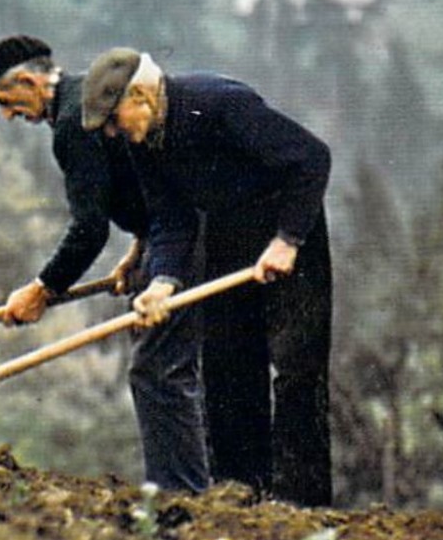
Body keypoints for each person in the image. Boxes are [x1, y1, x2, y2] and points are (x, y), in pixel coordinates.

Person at [82, 47, 333, 506]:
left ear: (141, 95)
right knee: (229, 368)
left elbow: (312, 159)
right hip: (225, 238)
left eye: (116, 119)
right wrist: (163, 282)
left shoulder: (218, 104)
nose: (116, 133)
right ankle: (242, 498)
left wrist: (288, 240)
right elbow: (171, 218)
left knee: (297, 372)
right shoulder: (143, 143)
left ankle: (307, 506)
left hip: (291, 231)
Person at [0, 35, 210, 492]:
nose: (7, 116)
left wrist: (41, 290)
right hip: (175, 232)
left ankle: (182, 497)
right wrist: (138, 249)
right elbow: (144, 181)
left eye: (6, 102)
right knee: (171, 364)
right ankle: (197, 488)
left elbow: (89, 230)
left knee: (158, 369)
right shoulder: (87, 93)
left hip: (183, 239)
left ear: (28, 81)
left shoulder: (71, 125)